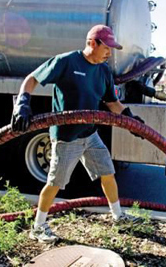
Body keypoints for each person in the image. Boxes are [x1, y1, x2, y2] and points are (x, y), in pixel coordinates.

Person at [11, 24, 144, 243]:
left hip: (90, 134)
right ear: (92, 43)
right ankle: (38, 226)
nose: (109, 53)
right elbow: (32, 79)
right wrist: (23, 103)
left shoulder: (103, 71)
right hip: (67, 137)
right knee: (55, 183)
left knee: (108, 172)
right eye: (107, 47)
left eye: (112, 48)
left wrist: (132, 120)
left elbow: (112, 103)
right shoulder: (67, 61)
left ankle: (118, 216)